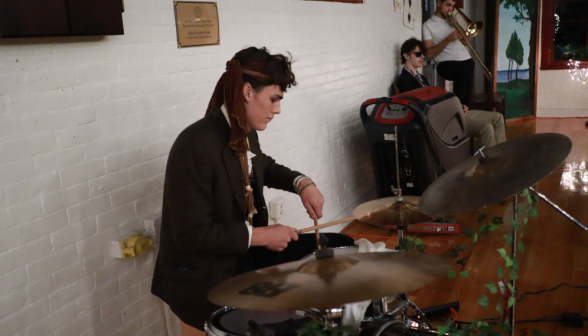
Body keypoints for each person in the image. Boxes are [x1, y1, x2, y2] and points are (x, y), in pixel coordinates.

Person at [151, 47, 355, 336]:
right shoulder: (194, 145)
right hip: (206, 274)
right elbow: (191, 236)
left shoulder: (244, 128)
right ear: (248, 92)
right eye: (274, 99)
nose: (278, 109)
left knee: (340, 245)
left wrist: (302, 183)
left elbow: (261, 166)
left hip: (243, 253)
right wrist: (261, 235)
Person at [395, 38, 506, 149]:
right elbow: (418, 110)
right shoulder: (404, 81)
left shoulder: (422, 78)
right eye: (418, 54)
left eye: (423, 54)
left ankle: (501, 158)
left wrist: (454, 106)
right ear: (406, 56)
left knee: (498, 118)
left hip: (448, 113)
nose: (422, 57)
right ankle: (493, 163)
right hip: (441, 121)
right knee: (485, 127)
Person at [423, 0, 474, 111]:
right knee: (463, 69)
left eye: (453, 6)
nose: (451, 9)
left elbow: (466, 43)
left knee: (470, 64)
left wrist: (457, 25)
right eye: (448, 5)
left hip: (465, 61)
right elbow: (429, 53)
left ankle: (465, 106)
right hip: (445, 63)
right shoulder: (428, 25)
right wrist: (448, 39)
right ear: (439, 3)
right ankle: (457, 108)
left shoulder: (453, 20)